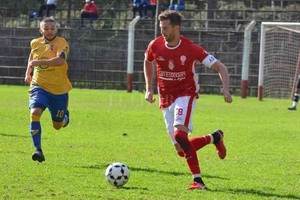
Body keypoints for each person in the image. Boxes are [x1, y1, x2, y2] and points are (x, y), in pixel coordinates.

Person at [143, 10, 233, 190]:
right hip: (165, 98)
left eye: (166, 28)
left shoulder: (192, 49)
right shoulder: (155, 45)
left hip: (186, 94)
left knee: (180, 135)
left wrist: (225, 90)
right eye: (161, 28)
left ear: (176, 28)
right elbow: (147, 61)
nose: (162, 32)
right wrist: (148, 88)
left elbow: (221, 68)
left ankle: (198, 181)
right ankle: (214, 138)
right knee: (181, 150)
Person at [24, 17, 72, 163]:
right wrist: (28, 71)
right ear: (40, 30)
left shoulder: (61, 43)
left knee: (57, 125)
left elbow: (60, 61)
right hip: (39, 86)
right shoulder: (35, 42)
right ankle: (38, 150)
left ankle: (64, 118)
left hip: (59, 90)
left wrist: (37, 62)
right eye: (46, 28)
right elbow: (32, 55)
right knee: (35, 113)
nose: (49, 31)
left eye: (52, 28)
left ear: (56, 29)